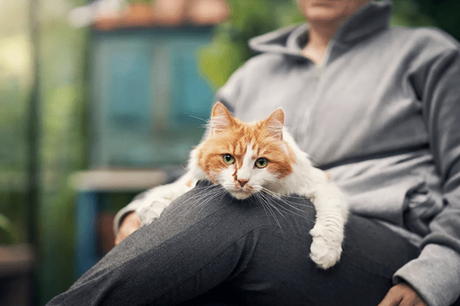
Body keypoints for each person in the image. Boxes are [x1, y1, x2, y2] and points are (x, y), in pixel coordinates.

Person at [48, 0, 460, 305]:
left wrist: (433, 275)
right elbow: (208, 165)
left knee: (235, 207)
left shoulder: (427, 55)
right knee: (222, 205)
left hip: (386, 243)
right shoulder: (252, 75)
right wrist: (141, 208)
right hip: (268, 228)